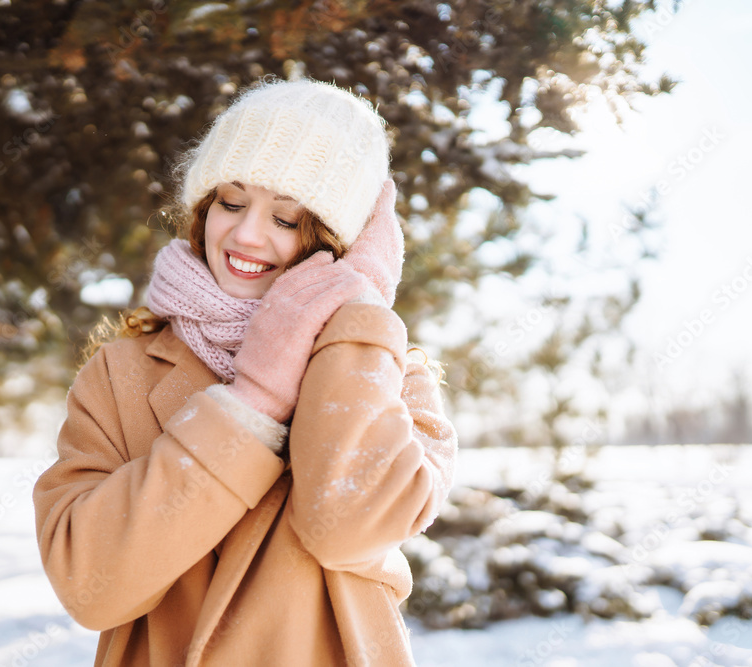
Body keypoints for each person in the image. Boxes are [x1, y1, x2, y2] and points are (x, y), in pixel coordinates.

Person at [33, 78, 458, 666]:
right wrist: (253, 403)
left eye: (286, 218)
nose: (247, 234)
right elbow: (89, 586)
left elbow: (347, 529)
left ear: (338, 243)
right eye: (230, 204)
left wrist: (355, 314)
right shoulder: (121, 372)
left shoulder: (389, 373)